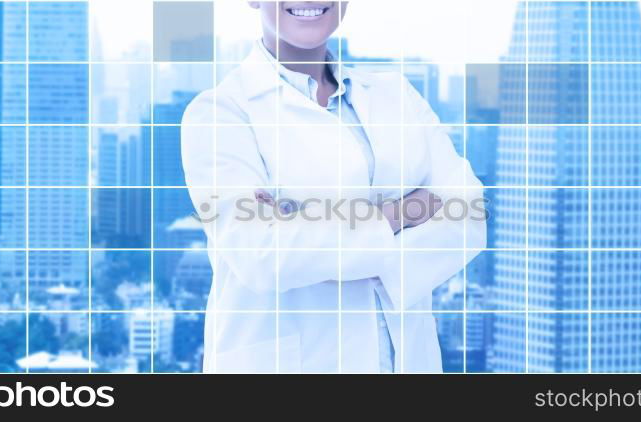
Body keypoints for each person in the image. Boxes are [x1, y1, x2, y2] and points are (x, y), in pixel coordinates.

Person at [181, 1, 485, 373]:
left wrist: (306, 231)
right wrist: (399, 214)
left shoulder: (396, 95)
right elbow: (260, 254)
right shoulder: (220, 112)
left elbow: (469, 215)